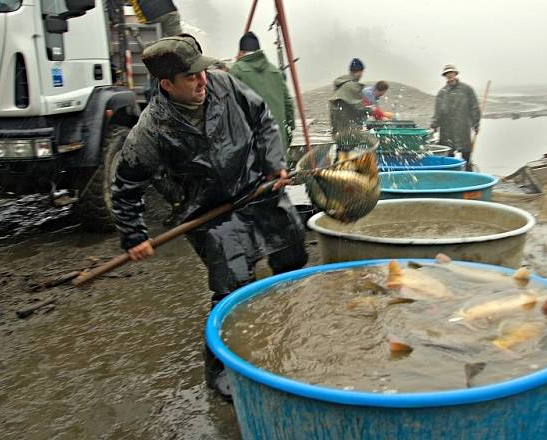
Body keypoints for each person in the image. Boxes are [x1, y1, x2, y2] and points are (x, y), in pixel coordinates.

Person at [111, 35, 308, 400]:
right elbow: (126, 185)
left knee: (293, 254)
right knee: (232, 284)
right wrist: (134, 234)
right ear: (167, 85)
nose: (203, 81)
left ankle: (284, 318)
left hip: (256, 188)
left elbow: (263, 117)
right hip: (208, 212)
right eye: (191, 77)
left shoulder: (223, 82)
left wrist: (274, 163)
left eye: (202, 72)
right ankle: (221, 370)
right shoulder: (151, 130)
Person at [229, 32, 295, 157]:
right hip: (278, 147)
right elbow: (288, 105)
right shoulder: (275, 71)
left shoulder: (236, 71)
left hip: (253, 150)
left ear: (241, 52)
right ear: (258, 50)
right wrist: (289, 131)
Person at [430, 64, 481, 171]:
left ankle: (469, 174)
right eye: (447, 74)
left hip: (462, 127)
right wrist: (433, 126)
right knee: (448, 155)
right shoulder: (442, 93)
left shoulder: (467, 90)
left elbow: (474, 107)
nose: (450, 75)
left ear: (455, 74)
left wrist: (476, 123)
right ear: (445, 76)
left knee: (466, 154)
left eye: (451, 73)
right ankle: (451, 175)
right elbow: (437, 112)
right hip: (446, 129)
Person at [329, 58, 373, 136]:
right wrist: (374, 111)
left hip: (338, 130)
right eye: (362, 72)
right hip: (347, 132)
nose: (362, 74)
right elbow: (360, 107)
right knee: (374, 142)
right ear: (359, 72)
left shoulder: (341, 84)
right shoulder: (351, 86)